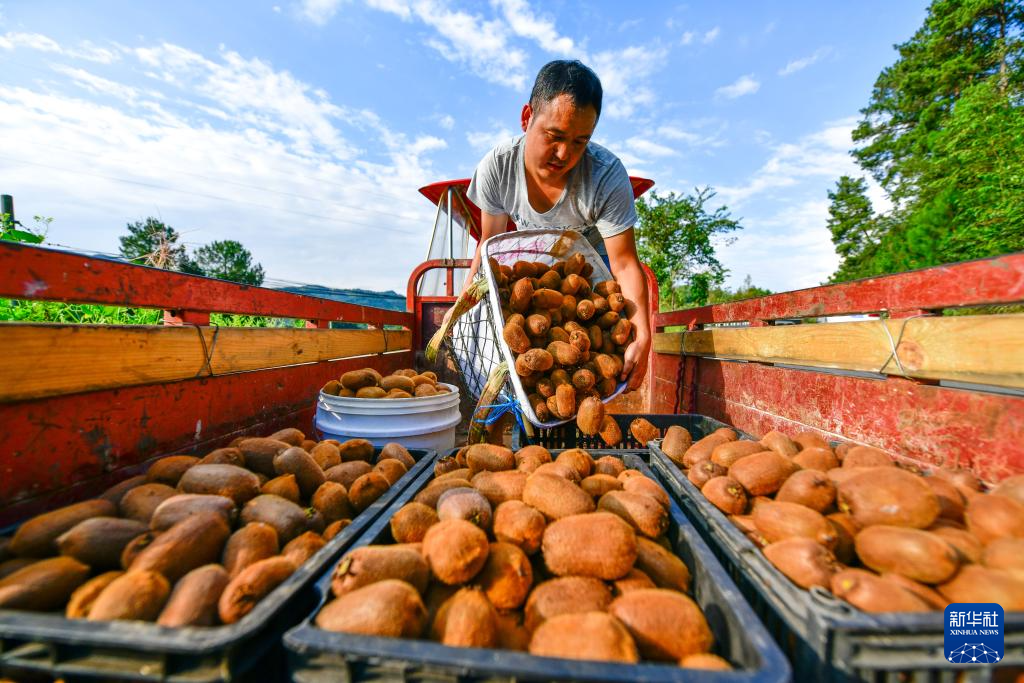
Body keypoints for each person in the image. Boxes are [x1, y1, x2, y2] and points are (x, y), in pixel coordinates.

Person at [463, 59, 651, 391]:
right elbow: (489, 245)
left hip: (592, 278)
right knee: (525, 372)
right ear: (526, 118)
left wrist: (642, 330)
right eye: (555, 136)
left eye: (580, 141)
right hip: (534, 272)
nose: (564, 154)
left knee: (590, 371)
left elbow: (623, 263)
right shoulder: (497, 168)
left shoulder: (606, 176)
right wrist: (465, 302)